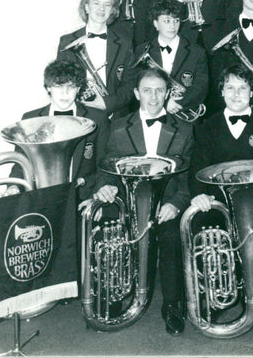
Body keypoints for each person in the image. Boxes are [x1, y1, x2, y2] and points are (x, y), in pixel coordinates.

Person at [89, 67, 194, 335]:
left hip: (166, 205)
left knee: (171, 236)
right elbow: (105, 168)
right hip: (127, 204)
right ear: (137, 93)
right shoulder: (117, 126)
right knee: (109, 230)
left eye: (160, 90)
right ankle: (111, 298)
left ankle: (172, 304)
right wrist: (105, 188)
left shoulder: (184, 128)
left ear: (168, 92)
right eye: (147, 90)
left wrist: (177, 204)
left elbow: (187, 177)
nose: (153, 97)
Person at [189, 64, 253, 315]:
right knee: (204, 230)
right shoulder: (208, 125)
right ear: (221, 92)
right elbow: (197, 166)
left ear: (252, 93)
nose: (236, 93)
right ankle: (217, 294)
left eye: (243, 88)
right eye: (230, 87)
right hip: (217, 203)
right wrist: (198, 195)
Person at [9, 60, 109, 200]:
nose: (65, 93)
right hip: (39, 198)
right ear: (48, 88)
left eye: (71, 86)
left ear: (79, 88)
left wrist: (97, 194)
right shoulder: (30, 118)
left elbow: (104, 163)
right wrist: (14, 186)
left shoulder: (97, 118)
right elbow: (21, 162)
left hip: (82, 197)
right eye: (58, 86)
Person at [57, 0, 135, 116]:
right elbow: (60, 81)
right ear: (86, 7)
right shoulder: (67, 41)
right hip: (80, 113)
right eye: (96, 3)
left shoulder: (125, 42)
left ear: (113, 10)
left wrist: (109, 103)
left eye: (107, 5)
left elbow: (131, 82)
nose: (101, 9)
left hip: (115, 115)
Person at [133, 0, 209, 120]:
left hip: (185, 114)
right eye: (167, 21)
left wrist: (177, 103)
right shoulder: (142, 50)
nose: (173, 26)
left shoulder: (197, 52)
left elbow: (201, 87)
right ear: (156, 24)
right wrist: (164, 101)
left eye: (176, 21)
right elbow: (138, 85)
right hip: (152, 114)